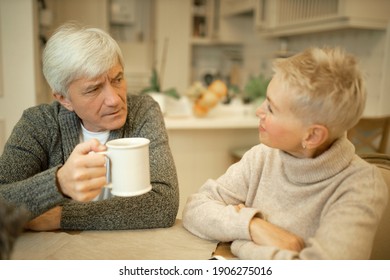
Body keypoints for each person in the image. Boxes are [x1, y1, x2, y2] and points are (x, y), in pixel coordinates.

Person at [182, 47, 388, 259]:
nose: (258, 111)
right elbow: (196, 208)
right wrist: (253, 227)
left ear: (312, 136)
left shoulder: (361, 186)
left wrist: (242, 245)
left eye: (271, 108)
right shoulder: (261, 157)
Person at [0, 23, 179, 231]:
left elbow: (163, 204)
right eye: (93, 89)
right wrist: (58, 183)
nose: (114, 99)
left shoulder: (143, 111)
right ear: (64, 99)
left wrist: (62, 216)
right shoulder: (38, 124)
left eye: (117, 79)